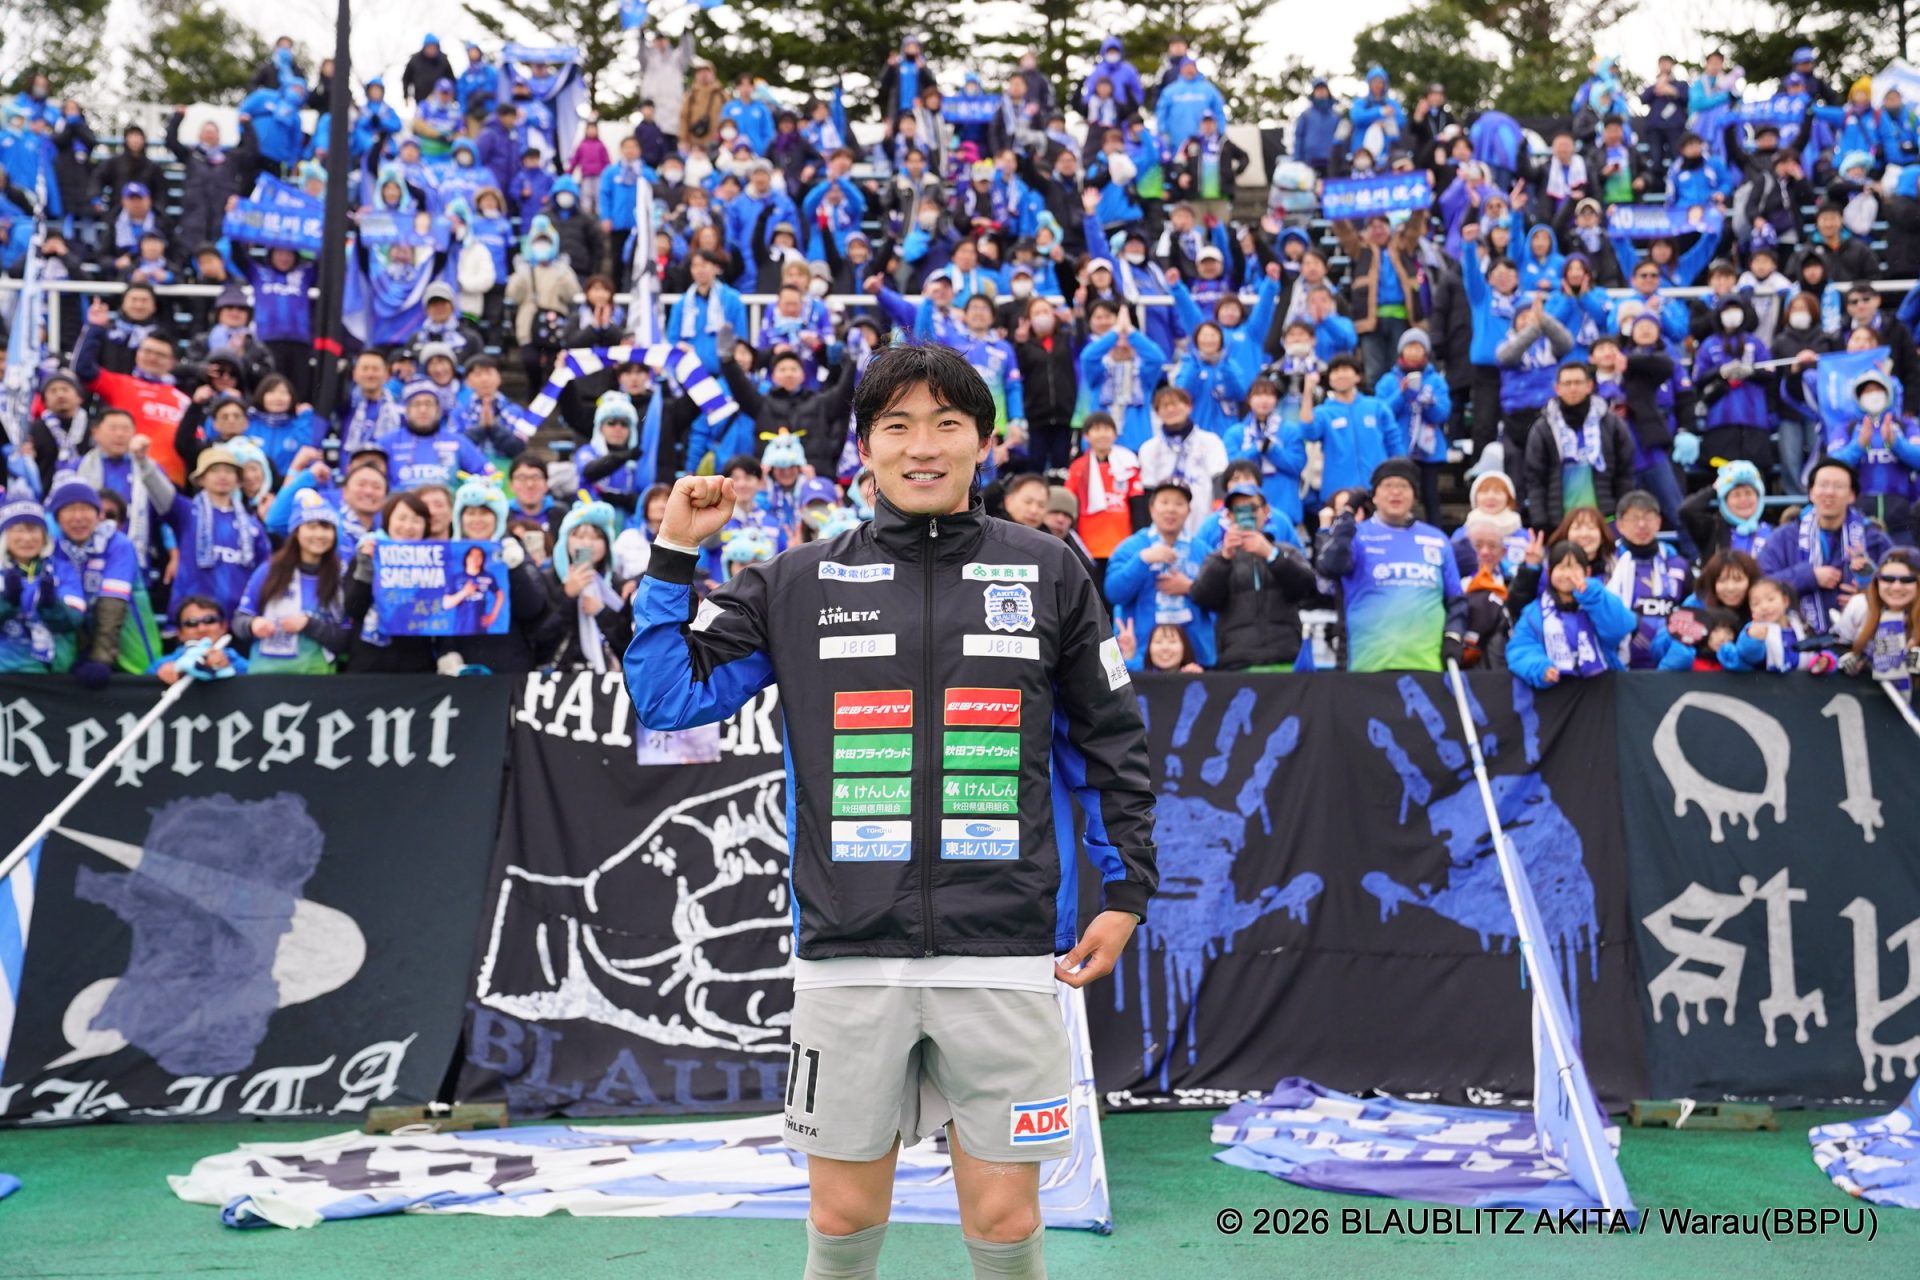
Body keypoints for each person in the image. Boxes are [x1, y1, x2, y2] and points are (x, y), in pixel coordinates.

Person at [626, 342, 1155, 1280]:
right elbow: (668, 697)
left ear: (983, 442)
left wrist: (1126, 894)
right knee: (841, 1214)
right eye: (898, 425)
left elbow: (1111, 739)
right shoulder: (795, 581)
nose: (923, 446)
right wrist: (674, 553)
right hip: (847, 957)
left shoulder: (1049, 570)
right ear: (864, 447)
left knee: (1005, 1220)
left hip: (1005, 951)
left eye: (947, 424)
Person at [1315, 458, 1466, 674]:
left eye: (1403, 486)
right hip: (1367, 666)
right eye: (1387, 486)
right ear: (1374, 496)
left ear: (1414, 495)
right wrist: (1347, 514)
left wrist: (1453, 635)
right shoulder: (1357, 536)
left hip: (1427, 667)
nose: (1396, 492)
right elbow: (1330, 567)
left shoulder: (1437, 539)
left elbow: (1456, 600)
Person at [1188, 484, 1316, 671]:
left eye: (1253, 508)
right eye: (1239, 510)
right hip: (1237, 661)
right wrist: (1225, 558)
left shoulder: (1286, 551)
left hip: (1286, 657)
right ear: (1229, 516)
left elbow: (1307, 588)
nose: (1247, 515)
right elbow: (1203, 598)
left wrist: (1271, 555)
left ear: (1266, 511)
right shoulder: (1217, 558)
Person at [1760, 459, 1893, 635]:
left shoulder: (1874, 538)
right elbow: (1761, 586)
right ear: (1811, 493)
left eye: (1838, 486)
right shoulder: (1783, 538)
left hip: (1862, 637)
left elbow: (1900, 585)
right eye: (1823, 485)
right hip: (1796, 638)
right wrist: (1809, 576)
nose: (1829, 492)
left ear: (1852, 495)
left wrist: (1868, 594)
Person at [234, 490, 352, 675]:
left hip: (318, 679)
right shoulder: (270, 570)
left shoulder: (340, 575)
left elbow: (346, 639)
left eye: (326, 527)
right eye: (311, 526)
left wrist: (309, 625)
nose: (319, 534)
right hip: (265, 677)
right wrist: (253, 625)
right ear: (296, 531)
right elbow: (239, 620)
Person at [1105, 480, 1215, 669]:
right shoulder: (1130, 547)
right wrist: (1142, 560)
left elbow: (1220, 600)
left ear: (1188, 511)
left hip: (1193, 662)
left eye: (1179, 504)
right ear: (1151, 509)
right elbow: (1113, 593)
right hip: (1138, 659)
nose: (1171, 509)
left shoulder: (1203, 551)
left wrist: (1190, 588)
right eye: (1164, 502)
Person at [1507, 541, 1639, 689]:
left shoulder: (1599, 601)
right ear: (1550, 573)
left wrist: (1592, 595)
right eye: (1561, 567)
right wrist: (1541, 669)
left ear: (1587, 572)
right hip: (1555, 692)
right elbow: (1521, 648)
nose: (1567, 574)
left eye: (1575, 567)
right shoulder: (1534, 612)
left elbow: (1620, 628)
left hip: (1603, 688)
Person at [1523, 362, 1637, 531]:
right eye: (1567, 383)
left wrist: (1622, 513)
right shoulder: (1543, 428)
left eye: (1578, 382)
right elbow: (1535, 480)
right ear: (1557, 388)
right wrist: (1540, 522)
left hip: (1606, 519)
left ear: (1589, 385)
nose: (1573, 388)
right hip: (1560, 523)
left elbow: (1625, 472)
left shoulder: (1611, 423)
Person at [0, 499, 82, 674]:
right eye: (19, 529)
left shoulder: (62, 570)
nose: (27, 538)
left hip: (52, 675)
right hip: (5, 673)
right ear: (5, 535)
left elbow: (75, 620)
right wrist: (6, 602)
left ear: (44, 535)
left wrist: (51, 606)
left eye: (33, 529)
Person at [1837, 550, 1920, 688]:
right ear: (1877, 581)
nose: (1896, 587)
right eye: (1888, 579)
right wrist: (1843, 660)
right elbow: (1837, 647)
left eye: (1907, 580)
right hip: (1868, 694)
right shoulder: (1860, 606)